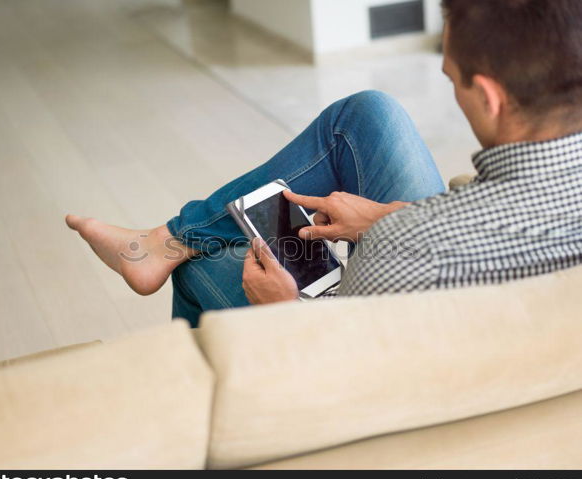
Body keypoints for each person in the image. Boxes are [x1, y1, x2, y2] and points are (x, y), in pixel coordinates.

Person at [67, 0, 582, 327]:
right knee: (366, 117)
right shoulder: (412, 230)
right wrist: (386, 216)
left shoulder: (406, 245)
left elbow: (342, 357)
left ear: (490, 98)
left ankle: (211, 412)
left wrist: (285, 310)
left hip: (371, 343)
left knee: (203, 267)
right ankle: (163, 242)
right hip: (470, 254)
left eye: (452, 80)